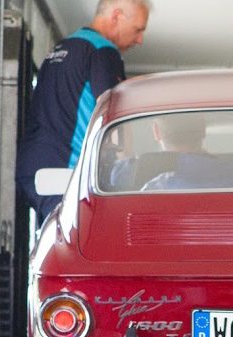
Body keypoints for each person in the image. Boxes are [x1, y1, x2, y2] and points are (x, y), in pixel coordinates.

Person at [15, 0, 151, 221]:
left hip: (32, 169)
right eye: (138, 29)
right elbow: (114, 118)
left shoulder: (61, 49)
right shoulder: (103, 51)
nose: (140, 39)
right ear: (116, 16)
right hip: (66, 174)